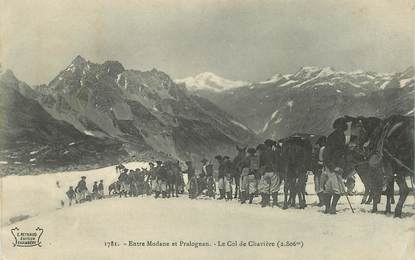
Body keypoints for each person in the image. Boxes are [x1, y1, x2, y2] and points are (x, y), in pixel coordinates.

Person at [321, 118, 348, 214]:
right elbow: (327, 154)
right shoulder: (333, 137)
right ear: (338, 127)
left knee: (328, 188)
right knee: (337, 189)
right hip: (332, 167)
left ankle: (328, 208)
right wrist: (333, 167)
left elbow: (341, 153)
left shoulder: (341, 136)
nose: (342, 128)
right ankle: (331, 208)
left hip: (336, 166)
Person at [258, 139, 281, 207]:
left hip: (265, 172)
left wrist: (261, 171)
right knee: (274, 187)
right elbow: (278, 161)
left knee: (265, 187)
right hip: (273, 172)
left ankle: (265, 202)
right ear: (272, 145)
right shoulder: (275, 152)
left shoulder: (263, 153)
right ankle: (274, 202)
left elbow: (260, 163)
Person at [313, 136, 326, 206]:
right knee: (321, 185)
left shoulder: (322, 149)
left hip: (320, 169)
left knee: (319, 185)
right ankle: (322, 201)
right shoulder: (324, 149)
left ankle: (322, 201)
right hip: (322, 169)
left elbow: (321, 160)